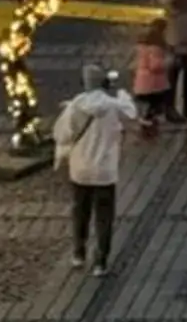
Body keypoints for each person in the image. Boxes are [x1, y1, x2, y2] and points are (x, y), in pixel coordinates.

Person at [53, 57, 140, 274]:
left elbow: (62, 135)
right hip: (105, 171)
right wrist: (120, 93)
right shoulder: (112, 106)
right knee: (104, 215)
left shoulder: (76, 106)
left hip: (80, 169)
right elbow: (130, 112)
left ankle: (78, 253)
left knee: (80, 210)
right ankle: (100, 260)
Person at [131, 15, 172, 127]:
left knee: (150, 103)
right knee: (156, 102)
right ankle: (148, 118)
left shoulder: (142, 46)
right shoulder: (156, 49)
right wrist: (168, 62)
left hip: (143, 81)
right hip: (153, 83)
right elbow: (155, 66)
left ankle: (147, 117)